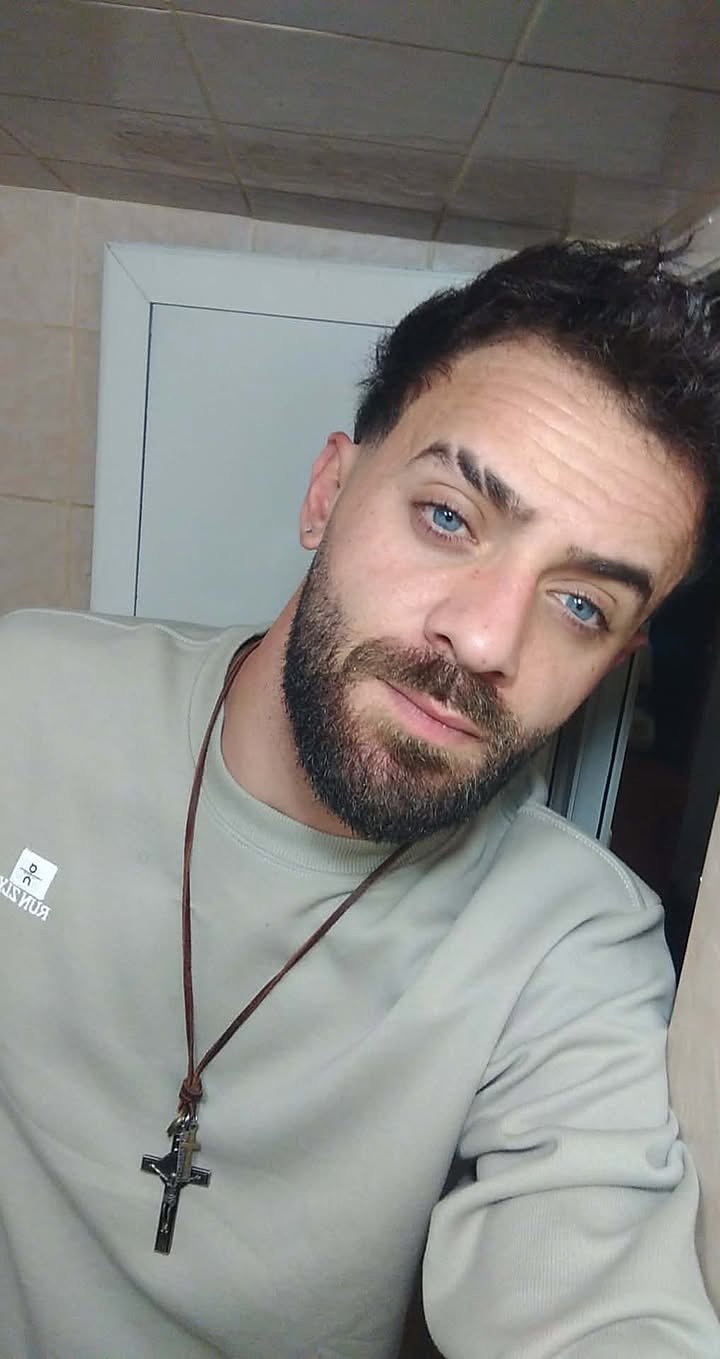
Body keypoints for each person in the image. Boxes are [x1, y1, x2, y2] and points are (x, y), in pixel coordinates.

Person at [1, 240, 719, 1359]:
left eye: (580, 605)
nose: (485, 638)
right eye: (449, 518)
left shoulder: (571, 943)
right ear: (328, 492)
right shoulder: (28, 700)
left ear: (614, 665)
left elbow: (601, 1302)